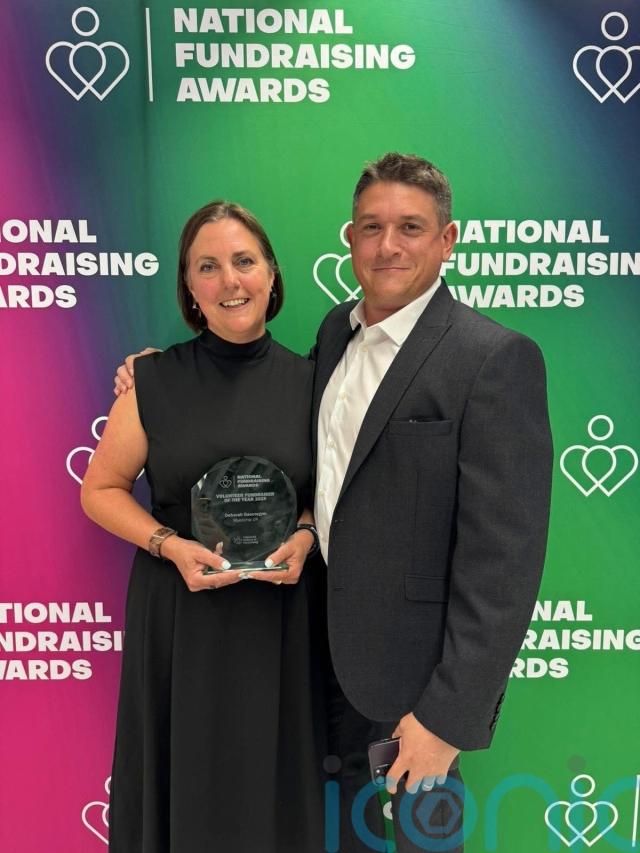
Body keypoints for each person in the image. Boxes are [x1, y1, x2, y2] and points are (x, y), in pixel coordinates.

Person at [115, 153, 553, 853]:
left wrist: (447, 718)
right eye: (371, 227)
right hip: (309, 674)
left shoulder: (492, 358)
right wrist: (155, 377)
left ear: (447, 239)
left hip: (410, 700)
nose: (388, 245)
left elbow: (505, 565)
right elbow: (318, 477)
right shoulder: (332, 335)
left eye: (411, 227)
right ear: (349, 238)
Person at [82, 201, 328, 853]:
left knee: (277, 790)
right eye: (208, 266)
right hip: (180, 614)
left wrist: (306, 535)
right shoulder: (152, 380)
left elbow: (329, 496)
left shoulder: (315, 383)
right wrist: (168, 545)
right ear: (188, 287)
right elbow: (100, 490)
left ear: (272, 274)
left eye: (244, 261)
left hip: (281, 617)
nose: (229, 280)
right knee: (182, 783)